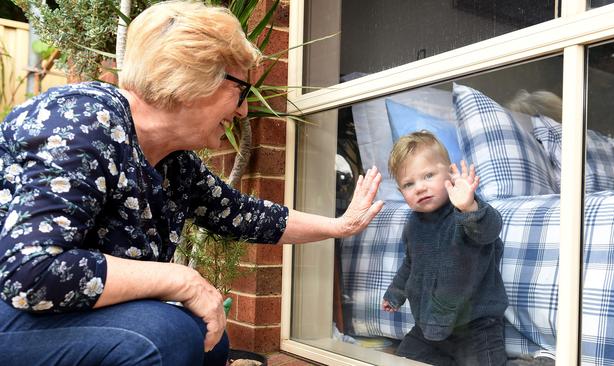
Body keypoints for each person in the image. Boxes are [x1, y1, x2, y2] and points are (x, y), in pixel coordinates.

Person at [0, 2, 384, 365]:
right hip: (12, 304)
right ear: (191, 75)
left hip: (46, 311)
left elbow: (242, 214)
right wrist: (180, 279)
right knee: (167, 335)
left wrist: (340, 226)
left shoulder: (172, 163)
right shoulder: (79, 121)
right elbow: (29, 272)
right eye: (241, 90)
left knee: (210, 342)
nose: (244, 109)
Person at [381, 131, 508, 366]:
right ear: (401, 193)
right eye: (409, 184)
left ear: (449, 174)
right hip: (429, 327)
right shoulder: (413, 224)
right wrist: (396, 292)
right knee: (405, 360)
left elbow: (489, 230)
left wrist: (469, 207)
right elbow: (411, 264)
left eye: (428, 175)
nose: (420, 187)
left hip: (476, 326)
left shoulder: (466, 211)